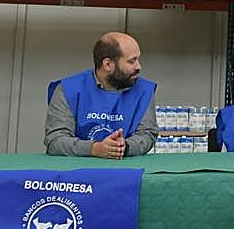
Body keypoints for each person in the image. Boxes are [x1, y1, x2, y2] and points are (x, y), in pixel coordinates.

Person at [45, 31, 159, 159]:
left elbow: (147, 134)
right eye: (131, 61)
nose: (139, 67)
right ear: (107, 64)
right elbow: (55, 141)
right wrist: (95, 149)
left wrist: (124, 147)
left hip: (127, 171)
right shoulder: (67, 89)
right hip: (76, 173)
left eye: (138, 59)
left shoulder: (144, 91)